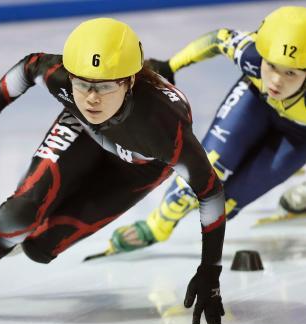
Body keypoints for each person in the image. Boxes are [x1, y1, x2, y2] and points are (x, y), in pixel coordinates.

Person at [0, 18, 226, 324]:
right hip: (83, 130)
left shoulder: (163, 129)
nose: (91, 98)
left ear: (129, 82)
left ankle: (17, 241)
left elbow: (210, 192)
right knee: (23, 210)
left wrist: (210, 272)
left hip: (138, 166)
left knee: (40, 247)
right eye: (83, 84)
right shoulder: (63, 79)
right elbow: (27, 67)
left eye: (104, 87)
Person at [97, 7, 306, 257]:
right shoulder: (251, 54)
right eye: (271, 66)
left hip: (298, 136)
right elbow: (218, 39)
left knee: (225, 203)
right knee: (203, 173)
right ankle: (157, 226)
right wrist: (170, 65)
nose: (275, 81)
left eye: (290, 73)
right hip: (254, 103)